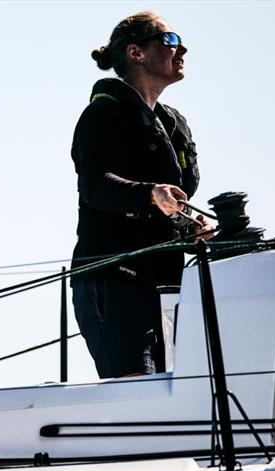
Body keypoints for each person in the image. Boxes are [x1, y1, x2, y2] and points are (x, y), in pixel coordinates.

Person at [70, 12, 213, 379]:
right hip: (114, 283)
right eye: (169, 40)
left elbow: (167, 205)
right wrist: (151, 195)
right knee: (139, 391)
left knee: (173, 393)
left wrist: (187, 228)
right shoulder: (102, 115)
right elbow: (96, 185)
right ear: (136, 52)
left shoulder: (172, 123)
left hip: (163, 286)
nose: (182, 49)